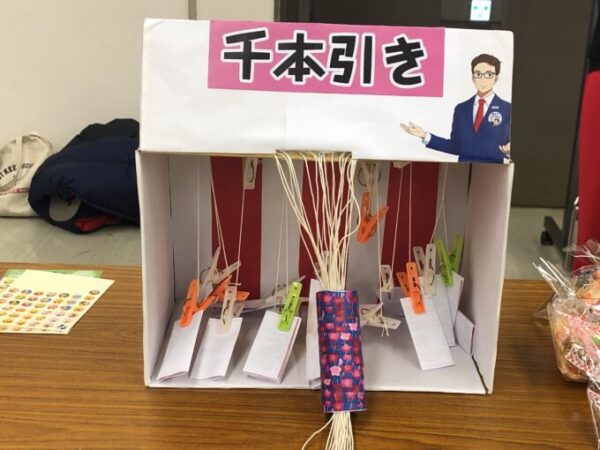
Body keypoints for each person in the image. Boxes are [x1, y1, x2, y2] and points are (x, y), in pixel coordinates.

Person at [401, 54, 511, 163]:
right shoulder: (461, 109)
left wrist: (509, 152)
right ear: (473, 78)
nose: (483, 79)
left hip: (495, 170)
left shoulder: (507, 109)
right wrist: (425, 136)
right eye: (478, 74)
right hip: (462, 170)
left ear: (496, 78)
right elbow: (455, 146)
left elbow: (511, 146)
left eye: (489, 74)